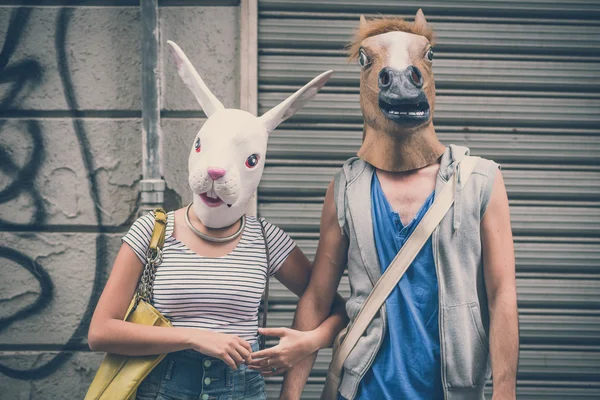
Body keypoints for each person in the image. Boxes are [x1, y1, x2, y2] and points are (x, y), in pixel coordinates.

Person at [261, 10, 519, 400]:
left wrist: (505, 390)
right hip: (363, 388)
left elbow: (501, 292)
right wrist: (289, 396)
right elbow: (316, 297)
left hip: (454, 391)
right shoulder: (346, 187)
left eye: (424, 58)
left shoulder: (481, 181)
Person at [88, 41, 347, 400]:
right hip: (164, 386)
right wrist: (194, 336)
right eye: (203, 148)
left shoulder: (266, 239)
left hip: (242, 388)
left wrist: (306, 343)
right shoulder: (153, 231)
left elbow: (335, 306)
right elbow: (100, 331)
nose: (214, 171)